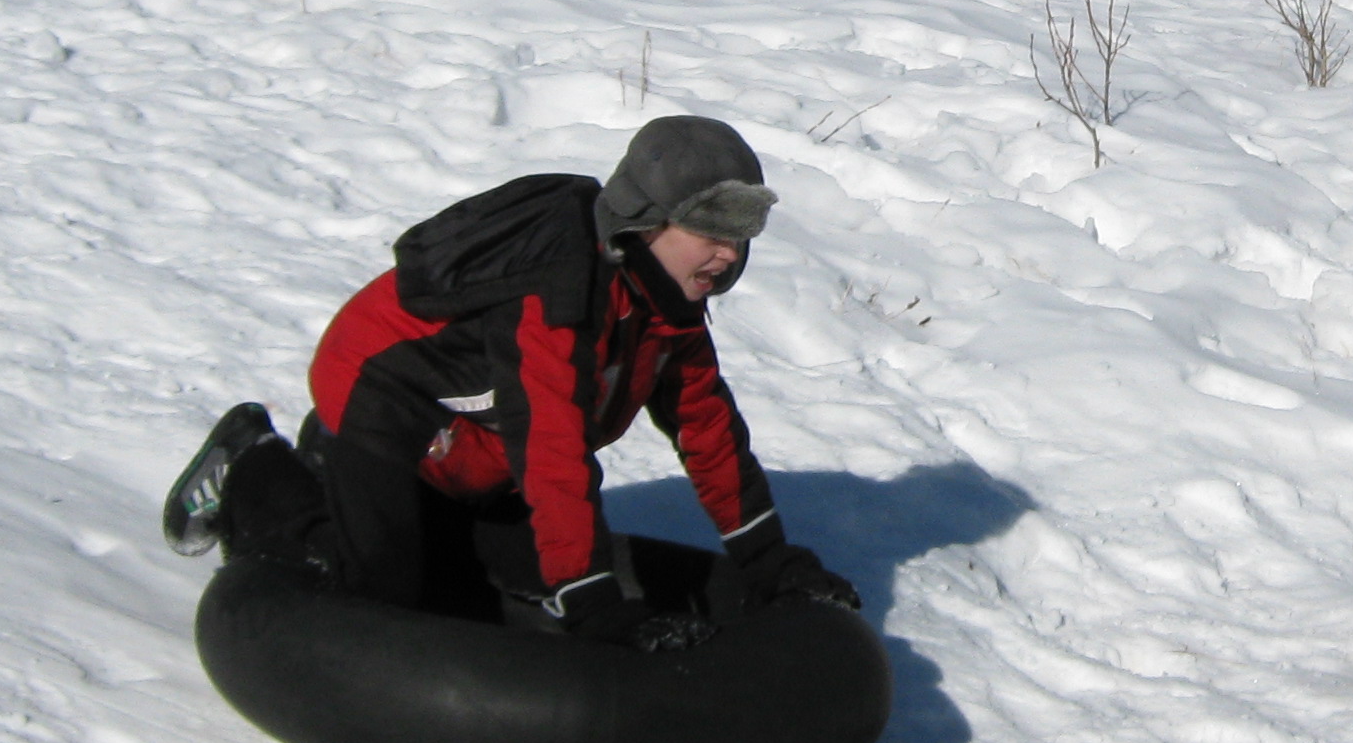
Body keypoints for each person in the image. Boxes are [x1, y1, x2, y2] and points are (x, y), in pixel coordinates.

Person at [160, 114, 855, 649]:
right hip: (385, 398)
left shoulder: (668, 308)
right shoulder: (556, 297)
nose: (729, 253)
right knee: (380, 588)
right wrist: (594, 606)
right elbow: (551, 449)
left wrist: (771, 563)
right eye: (711, 231)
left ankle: (370, 489)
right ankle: (255, 468)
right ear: (644, 222)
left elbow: (710, 435)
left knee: (512, 569)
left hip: (480, 433)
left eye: (742, 234)